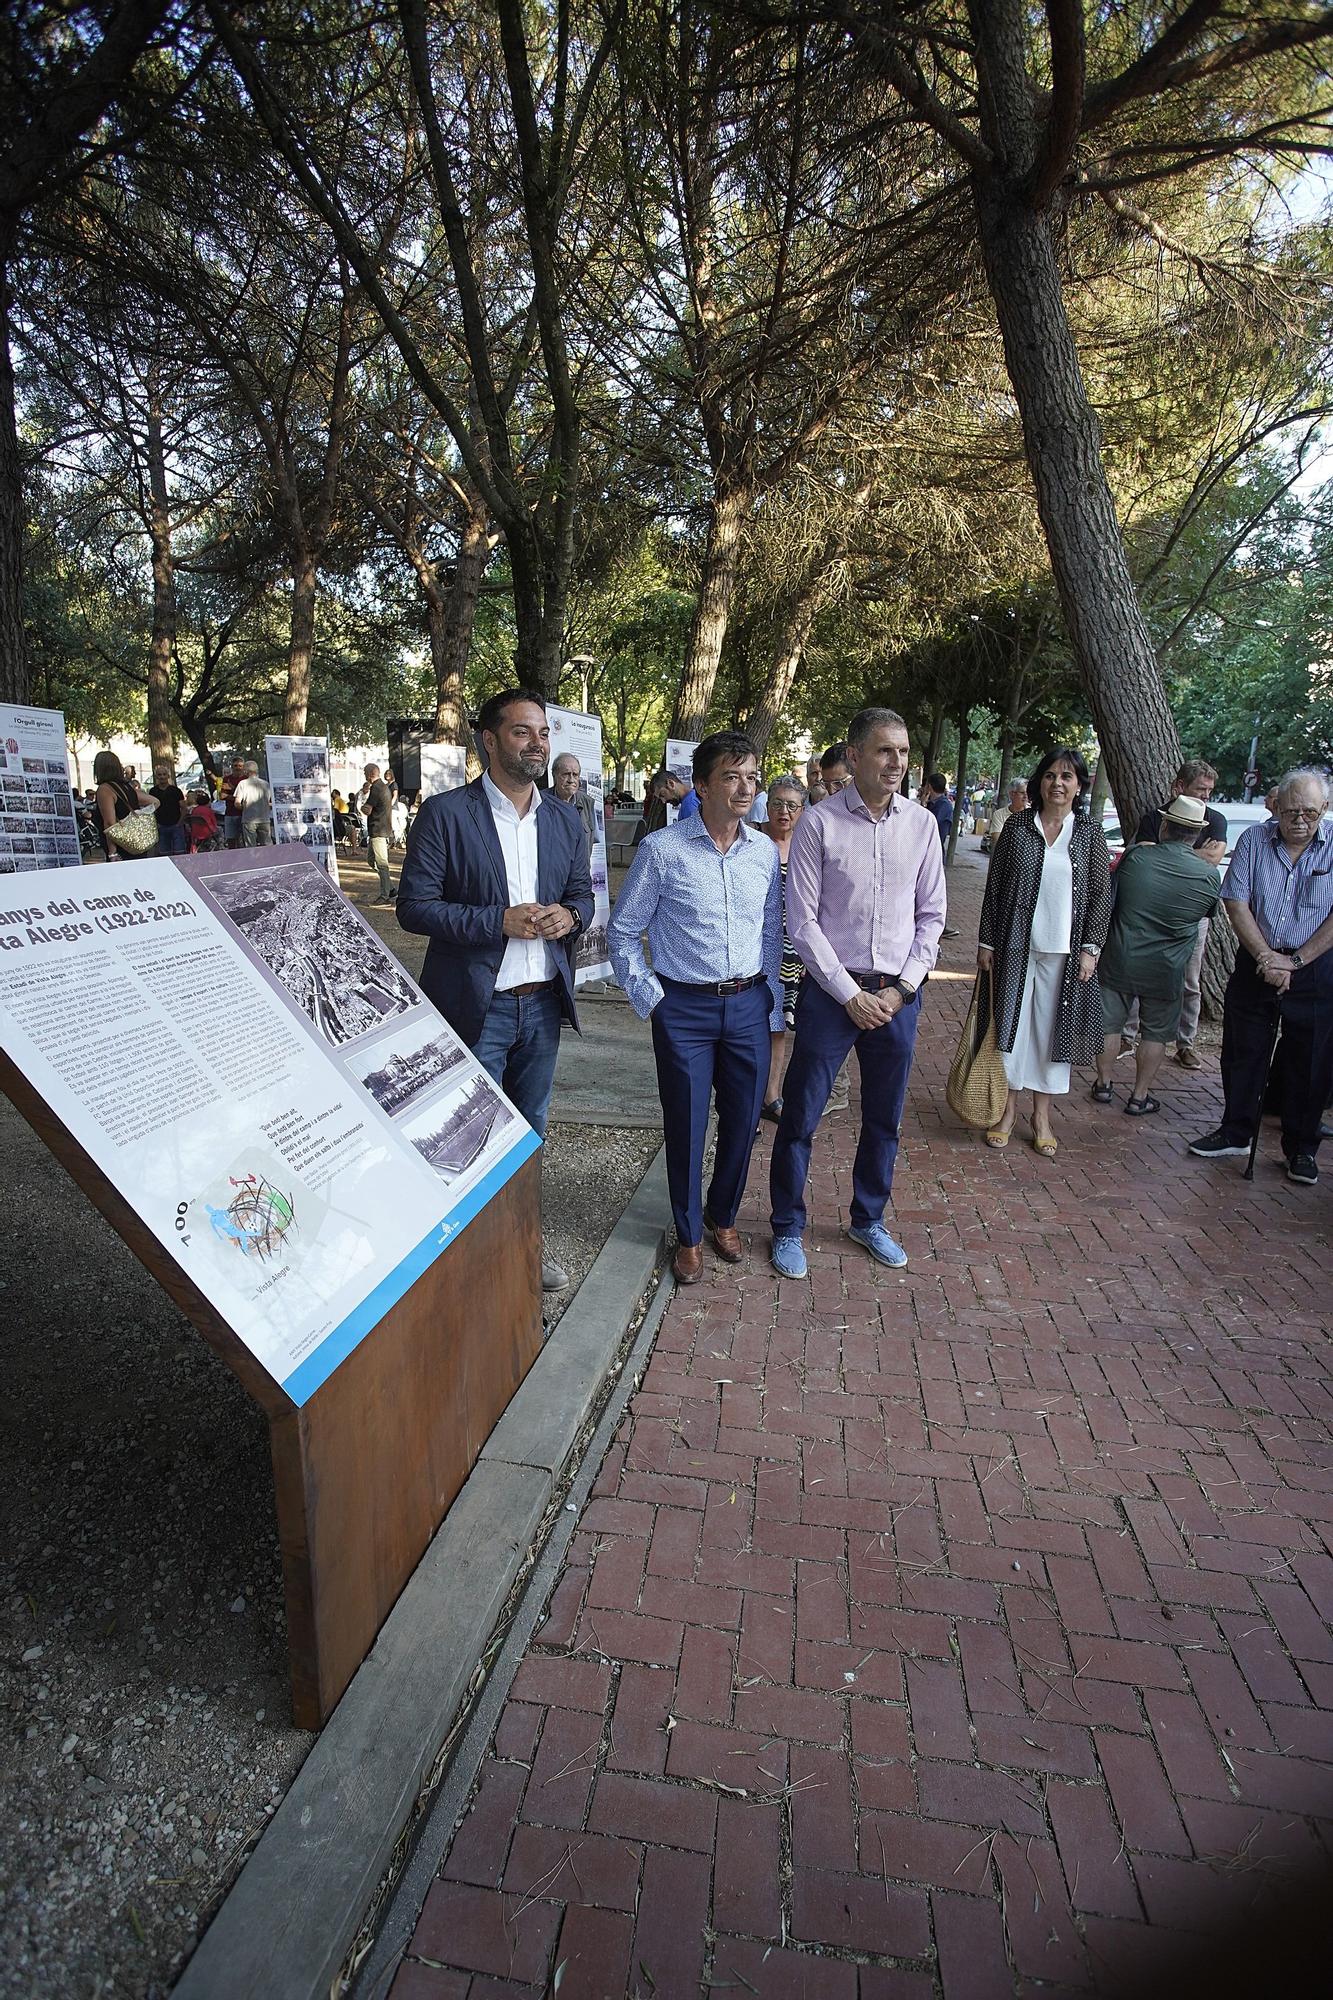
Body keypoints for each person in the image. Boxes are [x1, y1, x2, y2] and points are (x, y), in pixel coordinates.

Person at [397, 689, 593, 1287]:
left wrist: (571, 916)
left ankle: (521, 1252)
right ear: (489, 739)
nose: (537, 744)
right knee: (462, 1138)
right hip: (474, 1009)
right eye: (521, 733)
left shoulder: (564, 818)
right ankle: (459, 1265)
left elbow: (582, 890)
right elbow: (414, 908)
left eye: (543, 733)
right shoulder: (447, 814)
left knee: (527, 1135)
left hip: (541, 1007)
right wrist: (495, 921)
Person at [769, 708, 946, 1279]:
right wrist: (848, 994)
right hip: (831, 995)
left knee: (884, 1117)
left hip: (896, 997)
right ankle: (787, 1226)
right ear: (854, 755)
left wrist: (902, 989)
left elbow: (932, 917)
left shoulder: (921, 826)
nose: (896, 762)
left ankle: (868, 1219)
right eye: (884, 751)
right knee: (800, 1116)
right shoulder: (818, 824)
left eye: (903, 751)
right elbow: (803, 922)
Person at [610, 732, 783, 1284]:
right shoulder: (663, 850)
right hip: (683, 1008)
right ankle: (687, 1234)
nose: (745, 788)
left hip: (749, 1003)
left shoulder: (762, 853)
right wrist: (653, 1001)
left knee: (743, 1122)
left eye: (752, 777)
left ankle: (722, 1216)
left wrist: (772, 1004)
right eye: (732, 777)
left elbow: (772, 934)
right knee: (686, 1124)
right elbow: (622, 931)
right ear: (702, 785)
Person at [1189, 767, 1333, 1186]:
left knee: (1311, 1057)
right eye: (1291, 812)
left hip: (1315, 965)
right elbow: (1236, 900)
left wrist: (1297, 961)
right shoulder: (1255, 839)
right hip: (1259, 958)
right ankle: (1235, 1130)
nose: (1300, 820)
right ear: (1276, 807)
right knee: (1242, 1049)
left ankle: (1302, 1148)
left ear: (1323, 809)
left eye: (1309, 811)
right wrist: (1268, 958)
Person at [976, 746, 1112, 1157]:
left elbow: (1101, 896)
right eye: (1051, 775)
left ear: (1079, 785)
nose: (1058, 783)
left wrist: (1091, 948)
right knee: (1011, 1029)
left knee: (1052, 1033)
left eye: (1067, 776)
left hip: (1065, 953)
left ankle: (1042, 1116)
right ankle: (1007, 1111)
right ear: (1040, 782)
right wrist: (986, 941)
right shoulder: (1019, 827)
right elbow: (995, 888)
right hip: (1015, 947)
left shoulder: (1089, 833)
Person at [1090, 795, 1222, 1114]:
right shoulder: (1207, 875)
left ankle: (1104, 1084)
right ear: (1197, 835)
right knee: (1156, 1033)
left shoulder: (1136, 858)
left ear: (1165, 825)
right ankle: (1139, 1095)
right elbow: (1207, 913)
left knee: (1109, 1025)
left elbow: (1112, 897)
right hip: (1167, 966)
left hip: (1121, 956)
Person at [1128, 758, 1227, 1071]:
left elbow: (1214, 857)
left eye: (1210, 791)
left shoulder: (1216, 819)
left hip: (1192, 913)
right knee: (1135, 971)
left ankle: (1186, 1044)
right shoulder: (1153, 817)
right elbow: (1143, 859)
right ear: (1179, 786)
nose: (1205, 797)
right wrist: (1190, 858)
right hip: (1151, 909)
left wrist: (1167, 853)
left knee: (1190, 980)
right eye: (1200, 789)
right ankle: (1127, 1036)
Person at [758, 776, 808, 1121]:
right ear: (767, 806)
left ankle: (771, 1094)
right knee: (752, 1026)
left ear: (802, 811)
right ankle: (748, 1095)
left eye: (792, 805)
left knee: (779, 1026)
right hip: (756, 947)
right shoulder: (751, 841)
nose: (784, 811)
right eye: (777, 803)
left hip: (795, 951)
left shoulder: (809, 846)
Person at [93, 750, 156, 861]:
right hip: (136, 841)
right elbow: (155, 801)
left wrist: (112, 852)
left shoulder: (105, 789)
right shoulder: (127, 787)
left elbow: (109, 823)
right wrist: (140, 813)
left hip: (121, 846)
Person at [921, 771, 961, 937]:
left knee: (934, 891)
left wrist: (923, 805)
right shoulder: (934, 804)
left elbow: (929, 830)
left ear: (929, 787)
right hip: (925, 853)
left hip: (935, 854)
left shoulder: (943, 805)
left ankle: (939, 924)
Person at [361, 762, 397, 901]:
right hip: (379, 829)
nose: (364, 775)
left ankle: (384, 895)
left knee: (382, 863)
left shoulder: (376, 788)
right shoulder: (383, 786)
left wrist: (362, 802)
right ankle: (391, 888)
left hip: (378, 829)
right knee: (371, 860)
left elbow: (367, 809)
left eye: (365, 773)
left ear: (370, 774)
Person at [552, 751, 597, 863]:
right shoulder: (541, 802)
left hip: (580, 875)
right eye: (566, 774)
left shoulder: (588, 803)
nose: (571, 780)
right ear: (555, 775)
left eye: (575, 775)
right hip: (554, 875)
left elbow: (592, 841)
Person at [150, 763, 188, 856]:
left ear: (168, 776)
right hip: (161, 826)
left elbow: (183, 808)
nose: (162, 777)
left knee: (180, 854)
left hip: (176, 825)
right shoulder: (153, 791)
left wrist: (179, 823)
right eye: (159, 774)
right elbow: (151, 810)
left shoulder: (176, 791)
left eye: (164, 774)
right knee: (164, 854)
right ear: (156, 777)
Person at [234, 760, 273, 846]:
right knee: (267, 845)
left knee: (251, 846)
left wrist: (244, 808)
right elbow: (269, 802)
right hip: (264, 818)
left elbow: (237, 803)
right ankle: (269, 859)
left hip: (249, 819)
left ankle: (253, 859)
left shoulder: (243, 784)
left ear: (246, 771)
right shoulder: (266, 784)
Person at [986, 780, 1028, 852]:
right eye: (1022, 793)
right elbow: (997, 841)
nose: (1026, 796)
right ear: (1012, 794)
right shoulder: (999, 815)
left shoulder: (1034, 814)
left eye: (1028, 793)